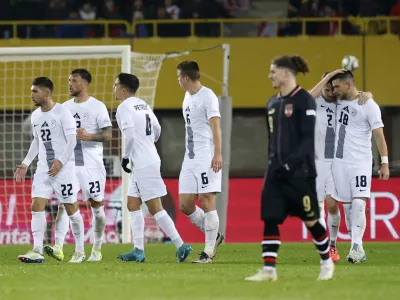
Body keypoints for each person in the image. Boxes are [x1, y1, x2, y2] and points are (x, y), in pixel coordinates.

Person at [245, 55, 334, 281]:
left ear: (285, 73)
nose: (269, 76)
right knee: (270, 218)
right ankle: (269, 270)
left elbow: (307, 140)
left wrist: (289, 164)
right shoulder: (272, 103)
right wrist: (273, 165)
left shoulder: (304, 100)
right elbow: (272, 140)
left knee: (311, 220)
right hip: (275, 173)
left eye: (272, 71)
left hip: (300, 173)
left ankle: (326, 262)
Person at [114, 72, 192, 262]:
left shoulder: (124, 107)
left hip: (141, 162)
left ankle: (181, 245)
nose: (113, 88)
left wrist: (125, 158)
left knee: (155, 207)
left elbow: (130, 136)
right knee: (132, 204)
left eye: (115, 85)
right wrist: (147, 143)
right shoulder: (144, 105)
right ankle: (138, 250)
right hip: (149, 158)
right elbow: (157, 129)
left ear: (124, 89)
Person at [43, 69, 112, 262]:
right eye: (69, 80)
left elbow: (108, 135)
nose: (70, 84)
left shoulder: (98, 106)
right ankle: (61, 247)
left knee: (97, 206)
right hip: (70, 164)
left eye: (74, 80)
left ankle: (97, 249)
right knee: (65, 205)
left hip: (92, 165)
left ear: (85, 83)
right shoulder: (63, 108)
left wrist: (89, 136)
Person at [14, 77, 85, 263]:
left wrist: (60, 162)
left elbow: (72, 140)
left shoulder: (63, 112)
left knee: (71, 208)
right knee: (36, 205)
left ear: (46, 93)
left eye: (35, 91)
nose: (31, 95)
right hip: (44, 168)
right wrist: (26, 163)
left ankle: (79, 251)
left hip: (64, 169)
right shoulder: (36, 116)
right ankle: (37, 250)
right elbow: (37, 141)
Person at [309, 70, 372, 262]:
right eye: (326, 86)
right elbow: (308, 96)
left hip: (339, 160)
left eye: (332, 86)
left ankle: (347, 242)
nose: (330, 90)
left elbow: (357, 96)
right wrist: (326, 78)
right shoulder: (315, 101)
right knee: (326, 205)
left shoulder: (341, 102)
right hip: (319, 161)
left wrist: (366, 94)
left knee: (338, 206)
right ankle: (331, 245)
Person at [330, 71, 389, 263]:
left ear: (347, 85)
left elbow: (379, 135)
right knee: (347, 207)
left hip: (360, 163)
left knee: (358, 203)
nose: (334, 90)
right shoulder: (335, 102)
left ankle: (357, 246)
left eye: (337, 86)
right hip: (339, 163)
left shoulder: (369, 105)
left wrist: (384, 162)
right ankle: (357, 247)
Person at [176, 61, 224, 264]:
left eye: (179, 77)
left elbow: (216, 127)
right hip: (190, 158)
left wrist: (218, 154)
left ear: (186, 77)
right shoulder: (187, 98)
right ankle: (214, 236)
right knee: (186, 205)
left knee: (206, 199)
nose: (178, 81)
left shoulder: (208, 96)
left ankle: (208, 252)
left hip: (206, 156)